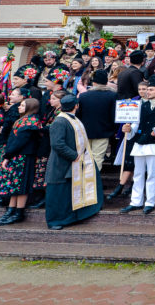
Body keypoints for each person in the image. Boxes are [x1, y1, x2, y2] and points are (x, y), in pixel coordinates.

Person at [45, 94, 103, 230]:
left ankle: (69, 218)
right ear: (76, 106)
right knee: (57, 192)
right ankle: (54, 220)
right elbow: (57, 144)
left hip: (72, 162)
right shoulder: (60, 121)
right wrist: (74, 156)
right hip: (62, 163)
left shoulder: (73, 119)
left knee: (66, 193)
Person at [120, 76, 155, 215]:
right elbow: (135, 123)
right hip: (139, 143)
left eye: (151, 89)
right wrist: (129, 129)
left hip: (154, 144)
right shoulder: (141, 105)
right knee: (138, 174)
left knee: (151, 174)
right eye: (147, 89)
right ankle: (135, 201)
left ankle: (149, 202)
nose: (148, 92)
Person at [0, 98, 41, 226]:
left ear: (30, 107)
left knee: (21, 185)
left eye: (23, 105)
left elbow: (20, 141)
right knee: (14, 185)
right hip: (17, 156)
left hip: (23, 156)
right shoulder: (23, 120)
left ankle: (18, 212)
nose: (19, 107)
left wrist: (7, 156)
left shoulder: (30, 122)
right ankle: (10, 211)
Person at [77, 69, 117, 171]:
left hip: (85, 131)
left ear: (93, 82)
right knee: (97, 158)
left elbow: (78, 114)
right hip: (104, 131)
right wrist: (115, 130)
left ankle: (85, 181)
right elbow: (114, 115)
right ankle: (93, 182)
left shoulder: (83, 96)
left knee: (85, 157)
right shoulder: (113, 95)